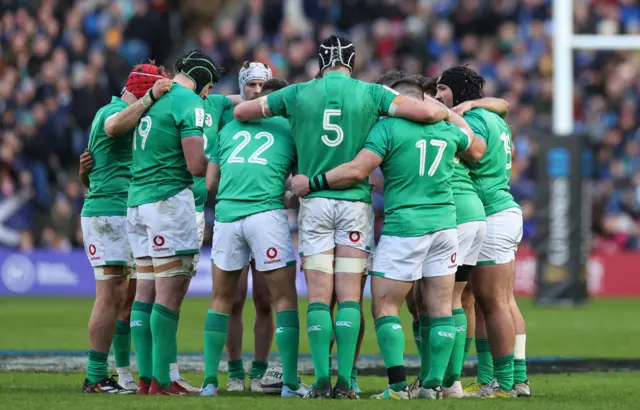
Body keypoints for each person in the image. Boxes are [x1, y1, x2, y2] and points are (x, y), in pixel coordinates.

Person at [234, 34, 451, 399]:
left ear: (320, 62)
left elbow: (243, 111)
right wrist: (448, 111)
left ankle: (320, 380)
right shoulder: (372, 93)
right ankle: (346, 382)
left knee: (319, 297)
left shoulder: (297, 93)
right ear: (351, 62)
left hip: (314, 202)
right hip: (353, 204)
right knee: (350, 297)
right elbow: (428, 112)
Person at [290, 75, 483, 400]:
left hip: (406, 226)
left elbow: (356, 170)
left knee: (383, 303)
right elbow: (475, 146)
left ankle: (395, 386)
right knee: (440, 308)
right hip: (446, 225)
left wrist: (313, 182)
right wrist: (446, 111)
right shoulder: (448, 129)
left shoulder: (388, 129)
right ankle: (433, 385)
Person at [200, 78, 307, 398]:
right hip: (266, 215)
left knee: (221, 299)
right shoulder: (291, 129)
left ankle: (209, 383)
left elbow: (210, 182)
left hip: (228, 217)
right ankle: (289, 383)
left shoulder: (229, 127)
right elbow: (299, 179)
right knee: (284, 299)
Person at [126, 49, 216, 395]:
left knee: (144, 293)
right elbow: (195, 165)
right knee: (167, 293)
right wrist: (223, 166)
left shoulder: (154, 96)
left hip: (137, 202)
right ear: (203, 80)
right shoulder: (188, 102)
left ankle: (146, 379)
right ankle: (163, 381)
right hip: (167, 201)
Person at [435, 66, 527, 398]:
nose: (437, 96)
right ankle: (514, 377)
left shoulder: (472, 121)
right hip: (503, 208)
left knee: (493, 302)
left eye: (442, 89)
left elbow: (476, 152)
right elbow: (502, 110)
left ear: (457, 91)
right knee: (501, 300)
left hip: (492, 211)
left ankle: (504, 384)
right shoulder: (495, 118)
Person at [79, 63, 172, 394]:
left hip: (114, 212)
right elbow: (114, 127)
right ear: (143, 88)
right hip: (108, 214)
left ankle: (113, 374)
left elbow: (93, 169)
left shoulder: (121, 110)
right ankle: (95, 376)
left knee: (123, 293)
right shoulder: (116, 110)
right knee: (111, 293)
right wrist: (149, 98)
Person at [222, 61, 276, 393]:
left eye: (261, 86)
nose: (256, 91)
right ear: (242, 86)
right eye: (251, 85)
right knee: (233, 299)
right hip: (235, 215)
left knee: (265, 299)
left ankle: (258, 371)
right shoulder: (228, 120)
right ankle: (232, 371)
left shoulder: (281, 122)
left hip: (267, 215)